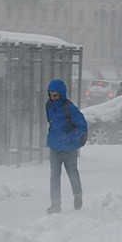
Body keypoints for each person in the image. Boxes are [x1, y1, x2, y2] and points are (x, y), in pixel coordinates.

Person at [45, 78, 87, 214]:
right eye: (51, 95)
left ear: (62, 94)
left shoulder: (70, 107)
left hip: (69, 149)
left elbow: (82, 126)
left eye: (55, 95)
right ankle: (55, 204)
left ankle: (78, 195)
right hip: (55, 147)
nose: (53, 98)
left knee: (72, 173)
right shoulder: (49, 105)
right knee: (54, 176)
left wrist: (69, 138)